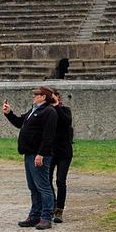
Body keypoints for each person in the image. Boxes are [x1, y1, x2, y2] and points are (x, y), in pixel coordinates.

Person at [3, 86, 58, 230]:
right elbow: (20, 123)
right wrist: (9, 113)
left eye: (37, 94)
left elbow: (48, 136)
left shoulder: (49, 111)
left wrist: (41, 154)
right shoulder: (34, 110)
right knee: (33, 187)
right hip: (29, 154)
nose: (34, 96)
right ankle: (34, 216)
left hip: (39, 155)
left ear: (44, 97)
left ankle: (46, 217)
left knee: (43, 187)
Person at [48, 88, 73, 223]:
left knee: (60, 181)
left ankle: (59, 209)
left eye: (54, 97)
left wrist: (57, 106)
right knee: (47, 180)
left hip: (64, 152)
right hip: (50, 151)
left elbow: (66, 122)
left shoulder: (65, 110)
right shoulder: (47, 111)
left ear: (59, 97)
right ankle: (52, 204)